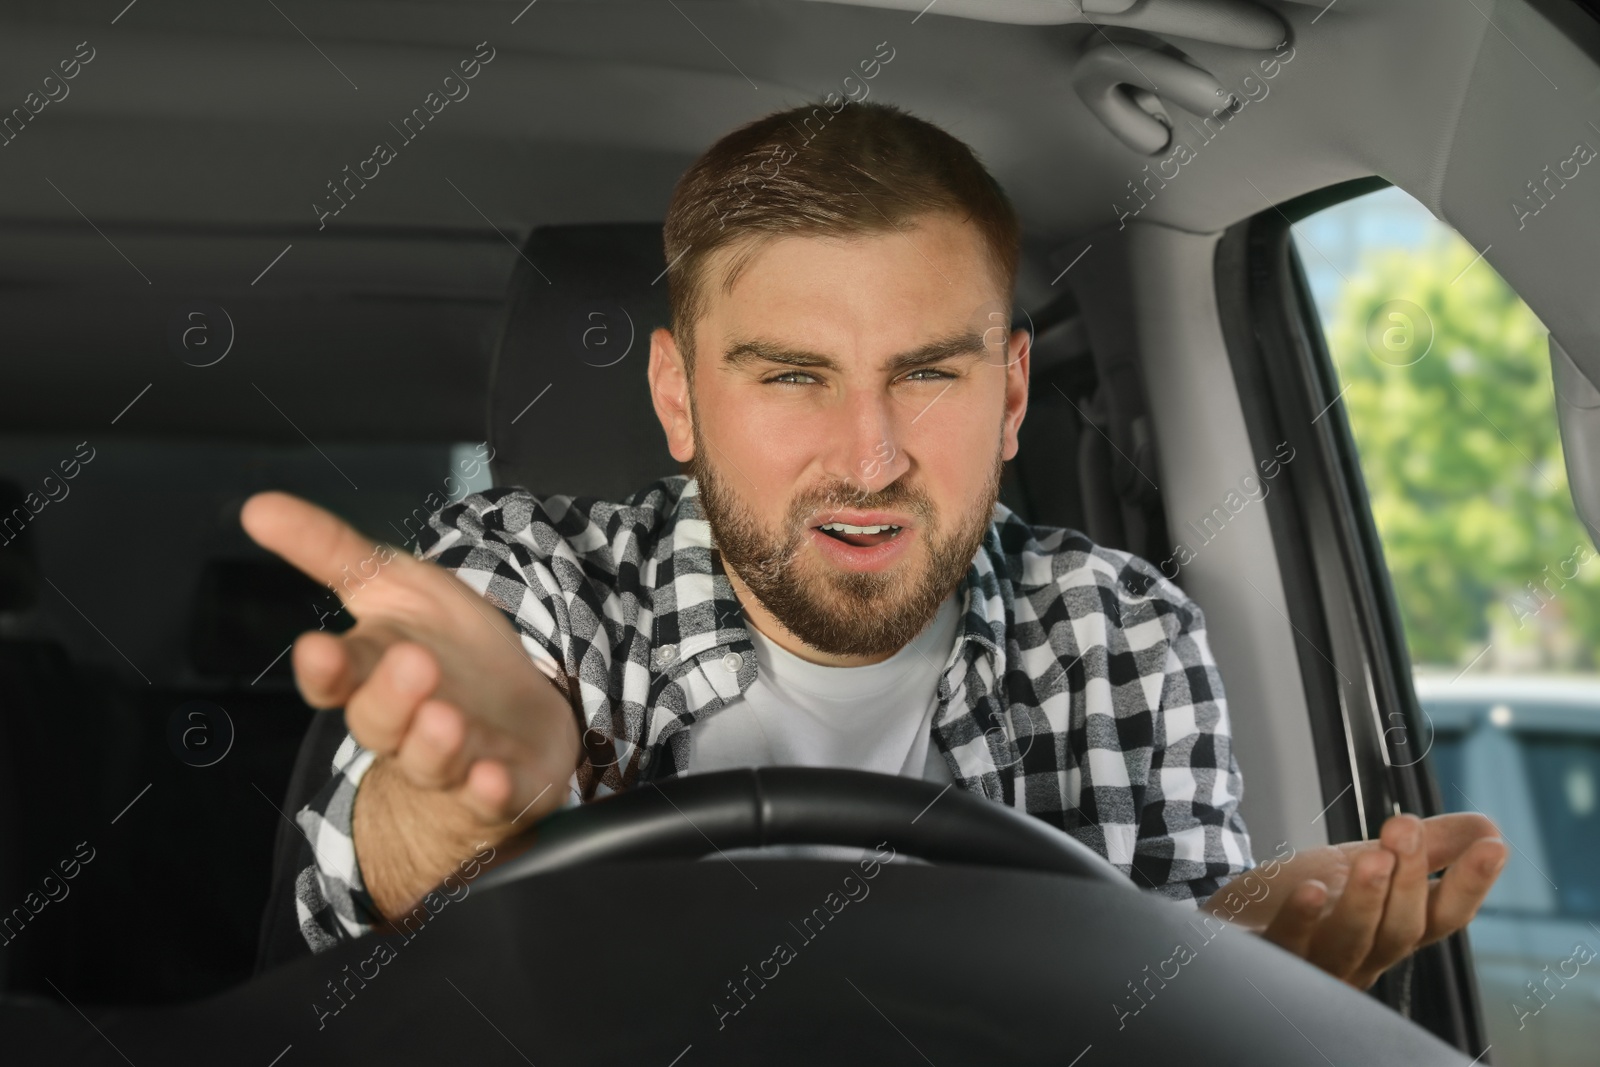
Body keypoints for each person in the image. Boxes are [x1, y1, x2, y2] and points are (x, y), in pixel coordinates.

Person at [241, 100, 1508, 992]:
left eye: (927, 374)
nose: (867, 456)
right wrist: (463, 815)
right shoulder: (524, 575)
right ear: (680, 400)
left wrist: (1243, 948)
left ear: (1011, 396)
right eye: (792, 375)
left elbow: (1162, 992)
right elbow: (372, 904)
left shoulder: (1119, 631)